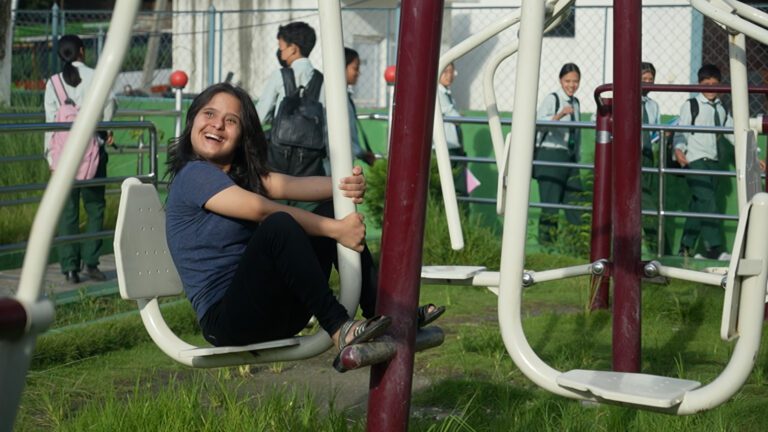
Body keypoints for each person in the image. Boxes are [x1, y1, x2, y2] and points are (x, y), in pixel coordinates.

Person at [165, 83, 443, 364]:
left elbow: (291, 185)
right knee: (278, 225)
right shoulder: (193, 174)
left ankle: (386, 312)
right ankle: (338, 327)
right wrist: (335, 230)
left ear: (243, 134)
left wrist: (345, 186)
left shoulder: (241, 177)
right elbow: (261, 210)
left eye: (231, 120)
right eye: (209, 114)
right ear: (192, 121)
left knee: (333, 207)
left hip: (276, 310)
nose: (218, 125)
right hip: (228, 320)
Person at [44, 34, 115, 284]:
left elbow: (51, 122)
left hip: (63, 155)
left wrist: (51, 158)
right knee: (95, 207)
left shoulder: (53, 83)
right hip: (93, 150)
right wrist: (104, 132)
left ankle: (69, 268)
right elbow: (109, 106)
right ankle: (92, 264)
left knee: (67, 210)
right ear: (82, 52)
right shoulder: (98, 77)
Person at [674, 64, 732, 260]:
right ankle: (714, 248)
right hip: (695, 160)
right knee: (707, 201)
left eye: (715, 84)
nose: (710, 87)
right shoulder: (691, 105)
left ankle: (685, 249)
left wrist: (754, 153)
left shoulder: (722, 108)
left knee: (698, 205)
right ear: (699, 84)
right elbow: (681, 130)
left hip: (713, 162)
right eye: (706, 83)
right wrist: (679, 149)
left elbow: (734, 133)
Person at [533, 63, 585, 246]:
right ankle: (546, 246)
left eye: (575, 81)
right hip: (550, 155)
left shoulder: (576, 103)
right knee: (551, 204)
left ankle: (577, 245)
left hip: (569, 157)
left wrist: (577, 158)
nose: (571, 85)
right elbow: (539, 124)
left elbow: (577, 134)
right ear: (560, 81)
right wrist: (559, 115)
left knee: (576, 202)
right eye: (567, 81)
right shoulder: (553, 99)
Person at [640, 62, 671, 256]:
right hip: (629, 155)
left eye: (650, 79)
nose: (648, 83)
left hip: (647, 155)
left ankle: (656, 248)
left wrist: (663, 134)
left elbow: (652, 133)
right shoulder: (624, 98)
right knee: (647, 204)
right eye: (644, 79)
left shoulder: (653, 106)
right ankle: (661, 250)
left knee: (647, 199)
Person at [437, 63, 467, 197]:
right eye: (445, 71)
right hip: (446, 146)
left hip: (454, 147)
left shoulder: (447, 94)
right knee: (454, 189)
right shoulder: (438, 93)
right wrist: (459, 116)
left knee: (460, 187)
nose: (448, 75)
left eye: (451, 71)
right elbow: (454, 117)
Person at [344, 47, 376, 166]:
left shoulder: (345, 96)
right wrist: (361, 153)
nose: (358, 73)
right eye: (355, 68)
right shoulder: (338, 98)